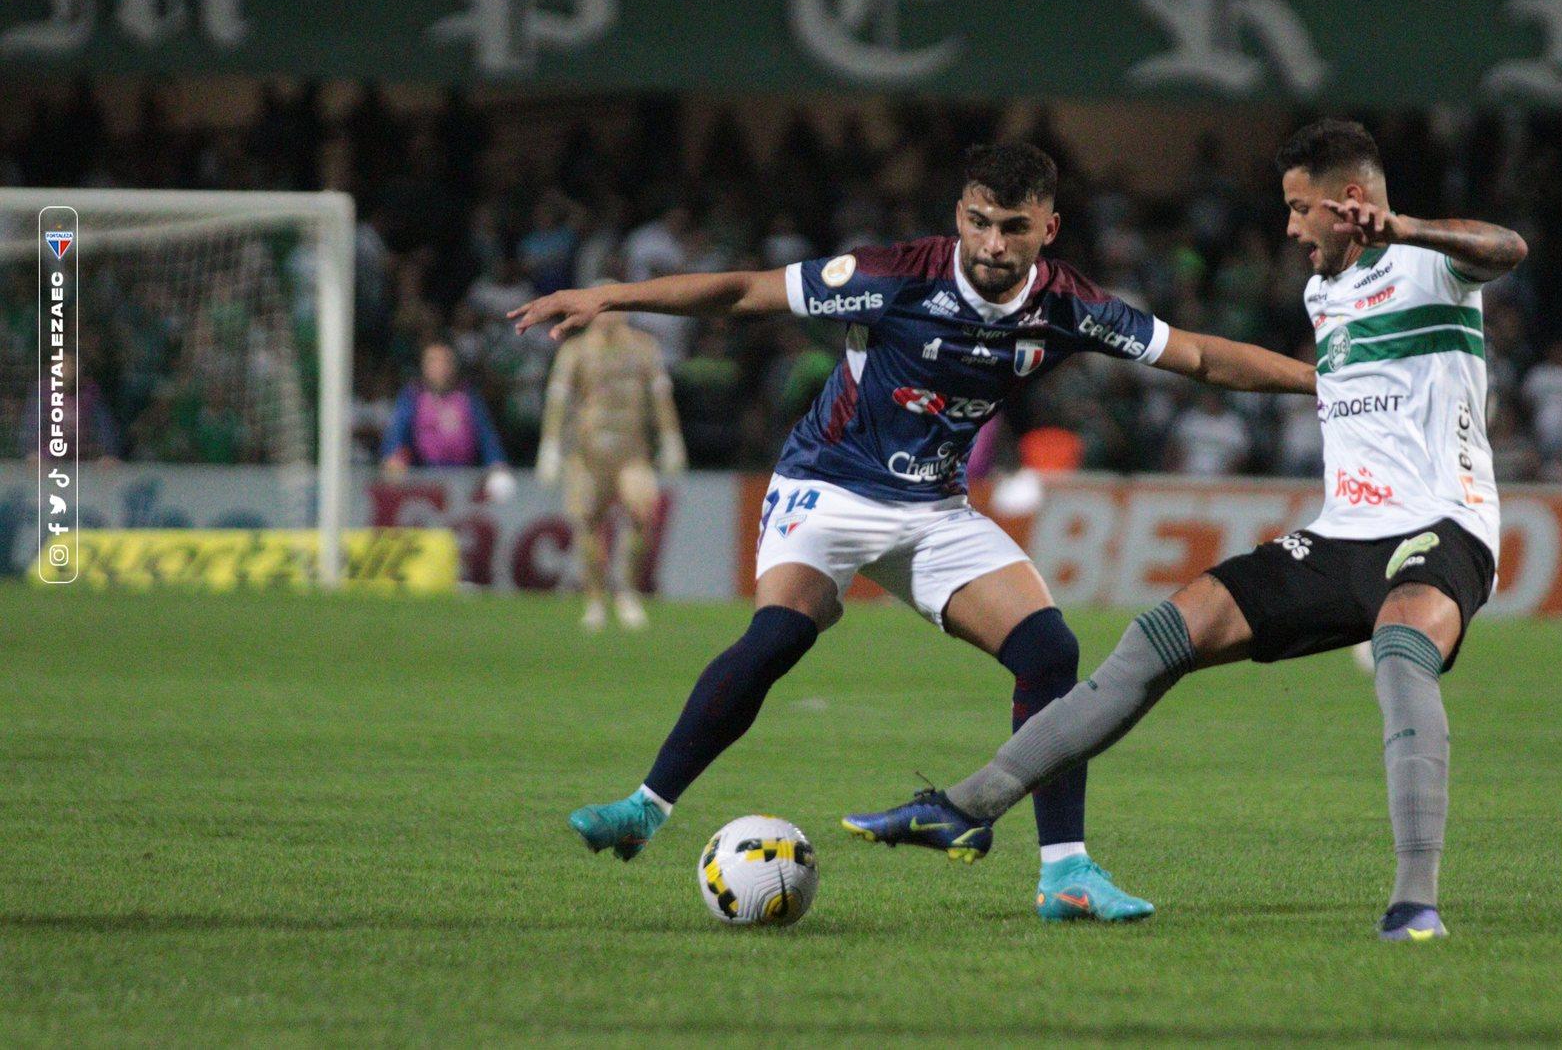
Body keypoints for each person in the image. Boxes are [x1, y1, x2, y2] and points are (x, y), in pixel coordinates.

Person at [509, 141, 1316, 921]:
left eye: (1013, 227)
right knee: (781, 634)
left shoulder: (1067, 305)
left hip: (933, 511)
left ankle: (1065, 873)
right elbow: (744, 293)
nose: (992, 243)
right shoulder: (890, 277)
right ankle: (645, 806)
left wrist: (1321, 382)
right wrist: (611, 296)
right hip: (827, 484)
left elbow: (1202, 358)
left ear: (1049, 229)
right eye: (978, 221)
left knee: (1050, 650)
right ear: (958, 215)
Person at [845, 119, 1527, 942]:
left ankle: (1416, 901)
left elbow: (1508, 247)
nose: (1287, 227)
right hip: (1343, 533)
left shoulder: (1433, 265)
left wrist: (1408, 226)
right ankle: (965, 806)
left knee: (1399, 648)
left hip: (1441, 525)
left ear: (1350, 204)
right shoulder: (1322, 293)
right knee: (1160, 634)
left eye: (1298, 207)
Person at [536, 306, 687, 631]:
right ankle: (594, 598)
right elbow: (558, 400)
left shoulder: (644, 347)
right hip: (586, 454)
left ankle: (627, 590)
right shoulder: (575, 350)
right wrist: (549, 447)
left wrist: (672, 439)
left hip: (631, 452)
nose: (608, 318)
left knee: (642, 516)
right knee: (587, 523)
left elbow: (660, 397)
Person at [380, 343, 514, 501]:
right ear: (424, 367)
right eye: (433, 362)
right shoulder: (413, 396)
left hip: (464, 480)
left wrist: (497, 464)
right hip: (424, 479)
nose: (440, 367)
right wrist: (393, 457)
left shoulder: (467, 395)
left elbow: (486, 436)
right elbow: (397, 432)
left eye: (445, 362)